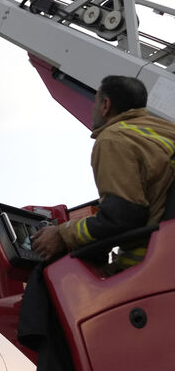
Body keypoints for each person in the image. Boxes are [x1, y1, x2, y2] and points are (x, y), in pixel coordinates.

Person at [32, 75, 175, 269]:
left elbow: (122, 217)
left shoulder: (113, 139)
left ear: (105, 105)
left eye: (95, 101)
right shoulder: (164, 129)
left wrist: (61, 234)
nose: (93, 109)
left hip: (153, 265)